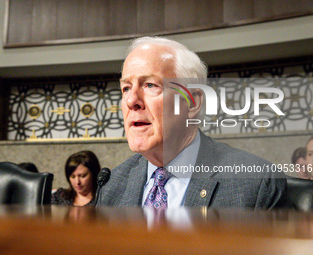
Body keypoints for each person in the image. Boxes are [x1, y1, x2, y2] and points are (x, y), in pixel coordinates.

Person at [98, 36, 286, 209]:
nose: (131, 101)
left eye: (150, 85)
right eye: (126, 88)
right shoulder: (110, 186)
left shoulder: (256, 183)